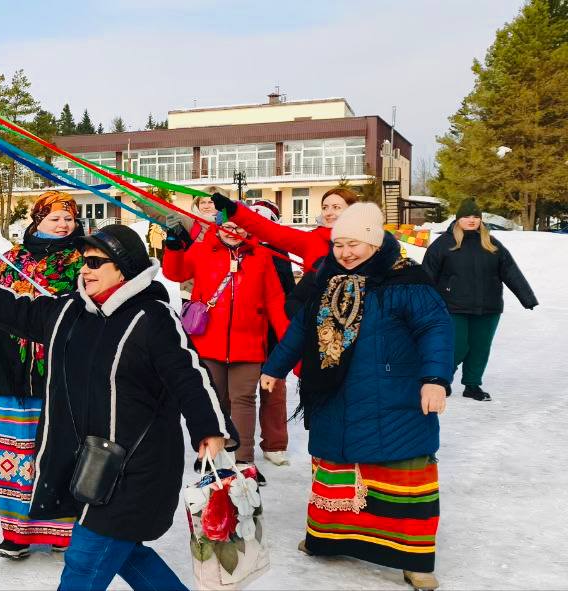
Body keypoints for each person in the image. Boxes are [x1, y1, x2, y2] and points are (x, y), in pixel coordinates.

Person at [0, 224, 232, 591]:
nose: (86, 270)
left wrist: (209, 427)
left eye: (96, 262)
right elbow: (20, 312)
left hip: (136, 467)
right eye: (85, 261)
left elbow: (188, 375)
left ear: (124, 268)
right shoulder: (71, 311)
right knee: (125, 552)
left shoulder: (152, 317)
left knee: (85, 561)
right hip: (90, 465)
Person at [260, 203, 452, 591]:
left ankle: (414, 560)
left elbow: (435, 328)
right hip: (335, 392)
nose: (345, 253)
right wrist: (274, 367)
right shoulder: (325, 277)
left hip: (395, 396)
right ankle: (327, 539)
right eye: (339, 244)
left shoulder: (407, 281)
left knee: (401, 476)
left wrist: (435, 379)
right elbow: (301, 329)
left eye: (354, 244)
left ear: (375, 242)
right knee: (337, 471)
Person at [0, 190, 85, 559]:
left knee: (61, 452)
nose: (63, 225)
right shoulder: (13, 259)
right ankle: (17, 533)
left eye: (68, 218)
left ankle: (63, 532)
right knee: (15, 454)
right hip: (14, 373)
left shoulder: (84, 259)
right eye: (55, 218)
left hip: (64, 372)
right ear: (38, 220)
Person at [163, 213, 289, 483]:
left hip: (249, 344)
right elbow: (175, 273)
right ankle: (211, 457)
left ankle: (244, 461)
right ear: (217, 228)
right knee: (212, 401)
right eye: (227, 227)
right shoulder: (202, 250)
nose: (232, 232)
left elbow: (275, 300)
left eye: (239, 228)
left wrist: (288, 343)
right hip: (208, 342)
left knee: (244, 400)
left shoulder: (261, 255)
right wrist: (173, 246)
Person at [423, 198, 537, 401]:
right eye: (467, 216)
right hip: (453, 306)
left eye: (476, 216)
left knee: (480, 348)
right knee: (457, 347)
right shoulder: (443, 244)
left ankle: (472, 385)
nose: (472, 220)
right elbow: (427, 275)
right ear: (458, 219)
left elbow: (510, 271)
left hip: (488, 306)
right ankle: (442, 381)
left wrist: (527, 298)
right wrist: (421, 303)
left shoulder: (491, 243)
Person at [248, 200, 297, 467]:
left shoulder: (279, 252)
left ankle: (275, 443)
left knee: (274, 390)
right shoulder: (242, 249)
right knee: (240, 393)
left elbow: (288, 294)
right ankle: (235, 441)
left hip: (273, 334)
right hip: (245, 333)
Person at [213, 187, 360, 271]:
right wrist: (233, 210)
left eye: (336, 207)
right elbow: (269, 230)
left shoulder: (368, 243)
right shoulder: (312, 240)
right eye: (325, 207)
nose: (328, 213)